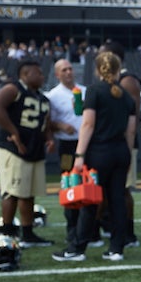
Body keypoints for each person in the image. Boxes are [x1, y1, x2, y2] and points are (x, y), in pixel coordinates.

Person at [52, 50, 136, 262]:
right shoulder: (126, 95)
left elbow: (88, 124)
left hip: (99, 152)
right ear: (118, 69)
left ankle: (77, 248)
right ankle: (117, 248)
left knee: (89, 201)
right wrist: (126, 156)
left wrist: (79, 155)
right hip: (120, 152)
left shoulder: (94, 90)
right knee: (117, 200)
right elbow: (131, 131)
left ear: (98, 69)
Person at [0, 58, 54, 248]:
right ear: (25, 74)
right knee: (12, 192)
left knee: (28, 193)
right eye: (38, 73)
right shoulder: (14, 89)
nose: (42, 76)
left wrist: (49, 138)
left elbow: (45, 124)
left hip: (34, 148)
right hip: (14, 148)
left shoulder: (42, 98)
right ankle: (6, 233)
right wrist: (14, 132)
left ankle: (27, 233)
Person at [99, 41, 141, 249]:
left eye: (101, 54)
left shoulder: (127, 81)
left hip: (123, 144)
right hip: (112, 144)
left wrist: (126, 145)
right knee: (111, 191)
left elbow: (131, 116)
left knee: (123, 190)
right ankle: (114, 228)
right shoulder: (112, 82)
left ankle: (129, 233)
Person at [45, 58, 88, 246]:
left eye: (70, 69)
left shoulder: (85, 91)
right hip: (67, 146)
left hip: (86, 145)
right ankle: (72, 230)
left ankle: (91, 229)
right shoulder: (53, 96)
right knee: (69, 185)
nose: (69, 72)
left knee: (89, 184)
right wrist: (60, 125)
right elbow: (48, 123)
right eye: (64, 70)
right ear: (57, 74)